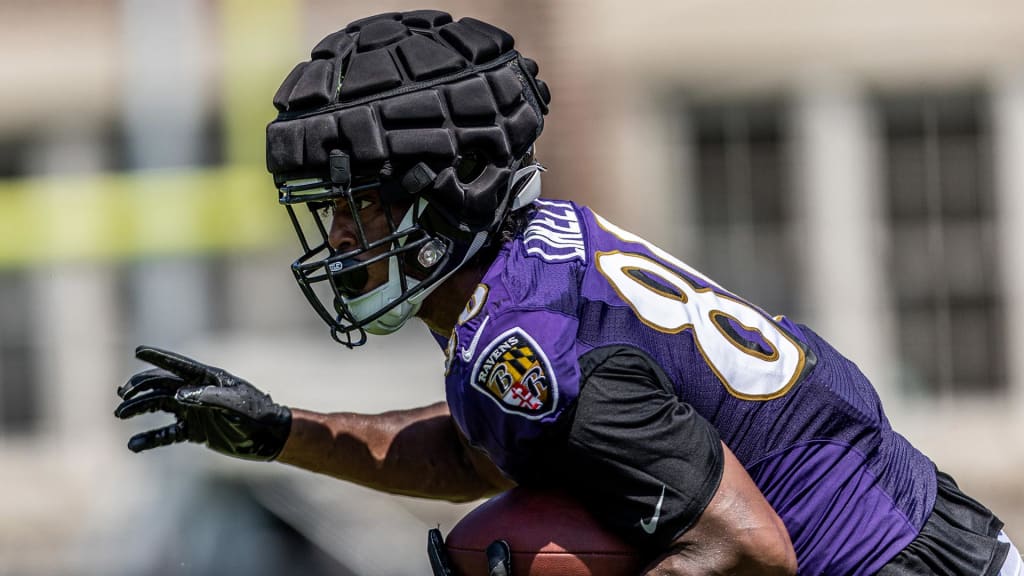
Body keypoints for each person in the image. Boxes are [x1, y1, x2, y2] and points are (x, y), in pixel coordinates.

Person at [114, 10, 1022, 576]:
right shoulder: (530, 271)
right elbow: (492, 447)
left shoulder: (531, 336)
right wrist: (285, 433)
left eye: (359, 209)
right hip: (926, 531)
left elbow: (745, 549)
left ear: (447, 189)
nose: (340, 240)